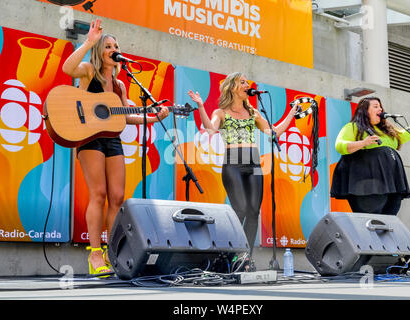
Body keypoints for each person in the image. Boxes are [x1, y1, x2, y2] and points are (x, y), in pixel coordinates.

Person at [62, 19, 169, 275]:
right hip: (90, 137)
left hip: (112, 139)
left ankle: (111, 253)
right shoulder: (89, 71)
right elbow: (67, 68)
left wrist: (155, 117)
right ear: (100, 51)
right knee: (98, 194)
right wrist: (89, 41)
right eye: (108, 46)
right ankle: (95, 255)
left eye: (116, 46)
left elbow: (125, 116)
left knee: (117, 198)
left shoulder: (120, 85)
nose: (113, 49)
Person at [188, 72, 299, 262]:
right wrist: (200, 106)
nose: (247, 85)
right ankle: (227, 254)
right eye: (242, 82)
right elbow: (211, 130)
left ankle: (245, 258)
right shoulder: (220, 112)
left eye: (247, 82)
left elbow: (273, 132)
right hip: (233, 161)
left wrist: (292, 112)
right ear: (232, 87)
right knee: (240, 209)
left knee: (254, 211)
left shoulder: (253, 112)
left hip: (253, 161)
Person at [330, 96, 410, 215]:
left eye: (380, 106)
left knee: (390, 215)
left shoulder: (386, 131)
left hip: (390, 181)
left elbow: (403, 135)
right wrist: (363, 143)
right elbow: (340, 145)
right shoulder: (354, 127)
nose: (380, 109)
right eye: (375, 106)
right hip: (367, 182)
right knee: (372, 217)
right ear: (365, 111)